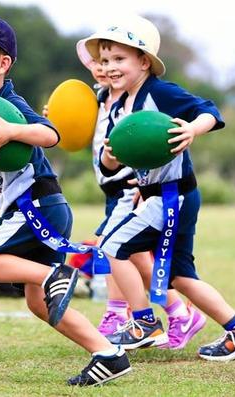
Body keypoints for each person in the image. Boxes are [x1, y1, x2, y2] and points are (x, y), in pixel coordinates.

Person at [0, 15, 131, 386]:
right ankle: (108, 353)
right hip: (40, 209)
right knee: (39, 303)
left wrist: (11, 130)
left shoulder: (8, 103)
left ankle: (54, 273)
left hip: (35, 206)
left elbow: (50, 134)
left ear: (3, 64)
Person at [85, 15, 235, 360]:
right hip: (162, 194)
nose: (110, 67)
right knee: (179, 277)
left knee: (111, 246)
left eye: (119, 59)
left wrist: (193, 130)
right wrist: (110, 157)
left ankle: (143, 322)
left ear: (144, 61)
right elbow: (112, 164)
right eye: (105, 60)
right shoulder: (120, 107)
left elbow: (208, 110)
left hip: (172, 194)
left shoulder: (159, 92)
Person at [75, 38, 206, 349]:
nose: (102, 68)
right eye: (97, 62)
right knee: (129, 253)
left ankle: (125, 315)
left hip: (128, 188)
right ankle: (176, 312)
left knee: (111, 246)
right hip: (112, 188)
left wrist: (145, 188)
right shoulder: (100, 99)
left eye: (114, 61)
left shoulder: (135, 99)